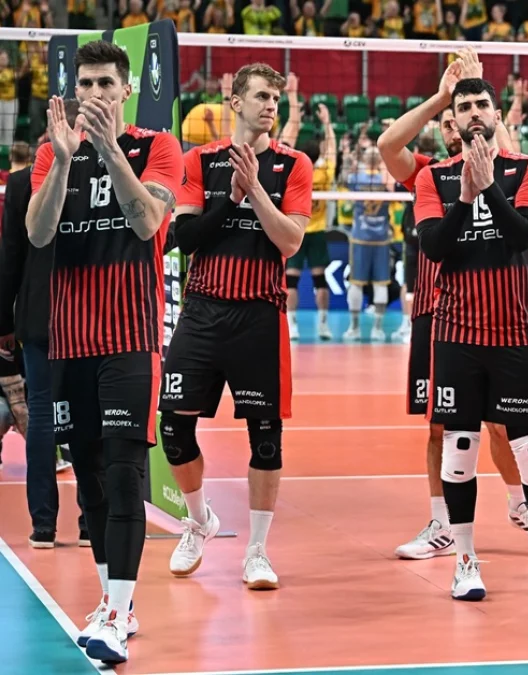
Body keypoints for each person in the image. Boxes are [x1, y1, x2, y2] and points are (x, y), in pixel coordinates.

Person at [26, 40, 183, 664]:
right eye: (86, 84)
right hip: (70, 340)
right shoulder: (52, 151)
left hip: (129, 339)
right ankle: (115, 601)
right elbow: (39, 233)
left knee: (123, 474)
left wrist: (110, 149)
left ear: (126, 91)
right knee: (88, 478)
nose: (94, 94)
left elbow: (147, 224)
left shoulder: (159, 147)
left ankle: (116, 614)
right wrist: (65, 161)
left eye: (105, 84)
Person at [413, 76, 528, 601]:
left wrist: (487, 186)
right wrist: (466, 197)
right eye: (464, 106)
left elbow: (522, 236)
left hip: (513, 334)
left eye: (482, 104)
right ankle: (465, 562)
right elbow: (435, 247)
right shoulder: (434, 178)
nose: (474, 113)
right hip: (456, 335)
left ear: (496, 114)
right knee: (459, 448)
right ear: (453, 119)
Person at [378, 50, 528, 560]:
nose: (460, 123)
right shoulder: (429, 174)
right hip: (437, 313)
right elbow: (388, 145)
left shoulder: (511, 169)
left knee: (503, 424)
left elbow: (507, 155)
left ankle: (522, 503)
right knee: (440, 426)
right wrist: (442, 97)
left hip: (497, 311)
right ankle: (442, 523)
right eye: (452, 118)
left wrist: (474, 91)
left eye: (472, 112)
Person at [159, 63, 312, 594]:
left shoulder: (294, 164)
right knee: (173, 428)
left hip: (259, 317)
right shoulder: (199, 160)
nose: (271, 105)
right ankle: (199, 520)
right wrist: (233, 198)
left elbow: (290, 241)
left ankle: (257, 551)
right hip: (203, 310)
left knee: (265, 439)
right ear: (236, 101)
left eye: (276, 98)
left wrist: (257, 193)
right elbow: (187, 236)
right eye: (262, 96)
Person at [0, 139, 85, 548]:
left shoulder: (20, 183)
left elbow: (10, 257)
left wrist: (4, 321)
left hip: (38, 313)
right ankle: (90, 523)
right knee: (86, 413)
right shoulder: (93, 175)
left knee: (41, 413)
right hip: (83, 314)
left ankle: (44, 525)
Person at [286, 104, 336, 341]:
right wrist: (327, 122)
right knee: (320, 280)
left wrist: (295, 118)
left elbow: (285, 145)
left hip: (297, 229)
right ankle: (323, 325)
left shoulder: (296, 171)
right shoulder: (324, 172)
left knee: (291, 280)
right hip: (316, 231)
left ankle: (292, 325)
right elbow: (332, 150)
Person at [343, 145, 394, 342]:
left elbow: (343, 177)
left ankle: (354, 328)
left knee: (356, 283)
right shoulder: (386, 179)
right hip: (381, 238)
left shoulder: (356, 178)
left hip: (360, 238)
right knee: (381, 283)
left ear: (365, 160)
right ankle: (377, 330)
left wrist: (348, 159)